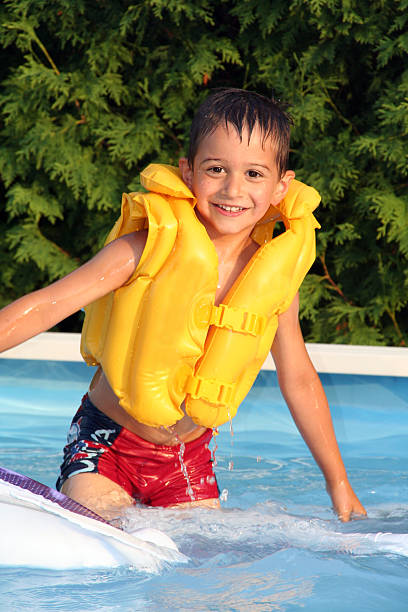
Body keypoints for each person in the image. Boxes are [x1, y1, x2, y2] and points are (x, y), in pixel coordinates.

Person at [0, 88, 366, 523]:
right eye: (217, 169)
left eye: (253, 174)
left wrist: (338, 483)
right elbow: (46, 306)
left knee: (204, 576)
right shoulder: (145, 249)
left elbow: (300, 380)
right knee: (111, 533)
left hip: (187, 462)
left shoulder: (272, 279)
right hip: (108, 444)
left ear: (280, 186)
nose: (233, 189)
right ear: (188, 171)